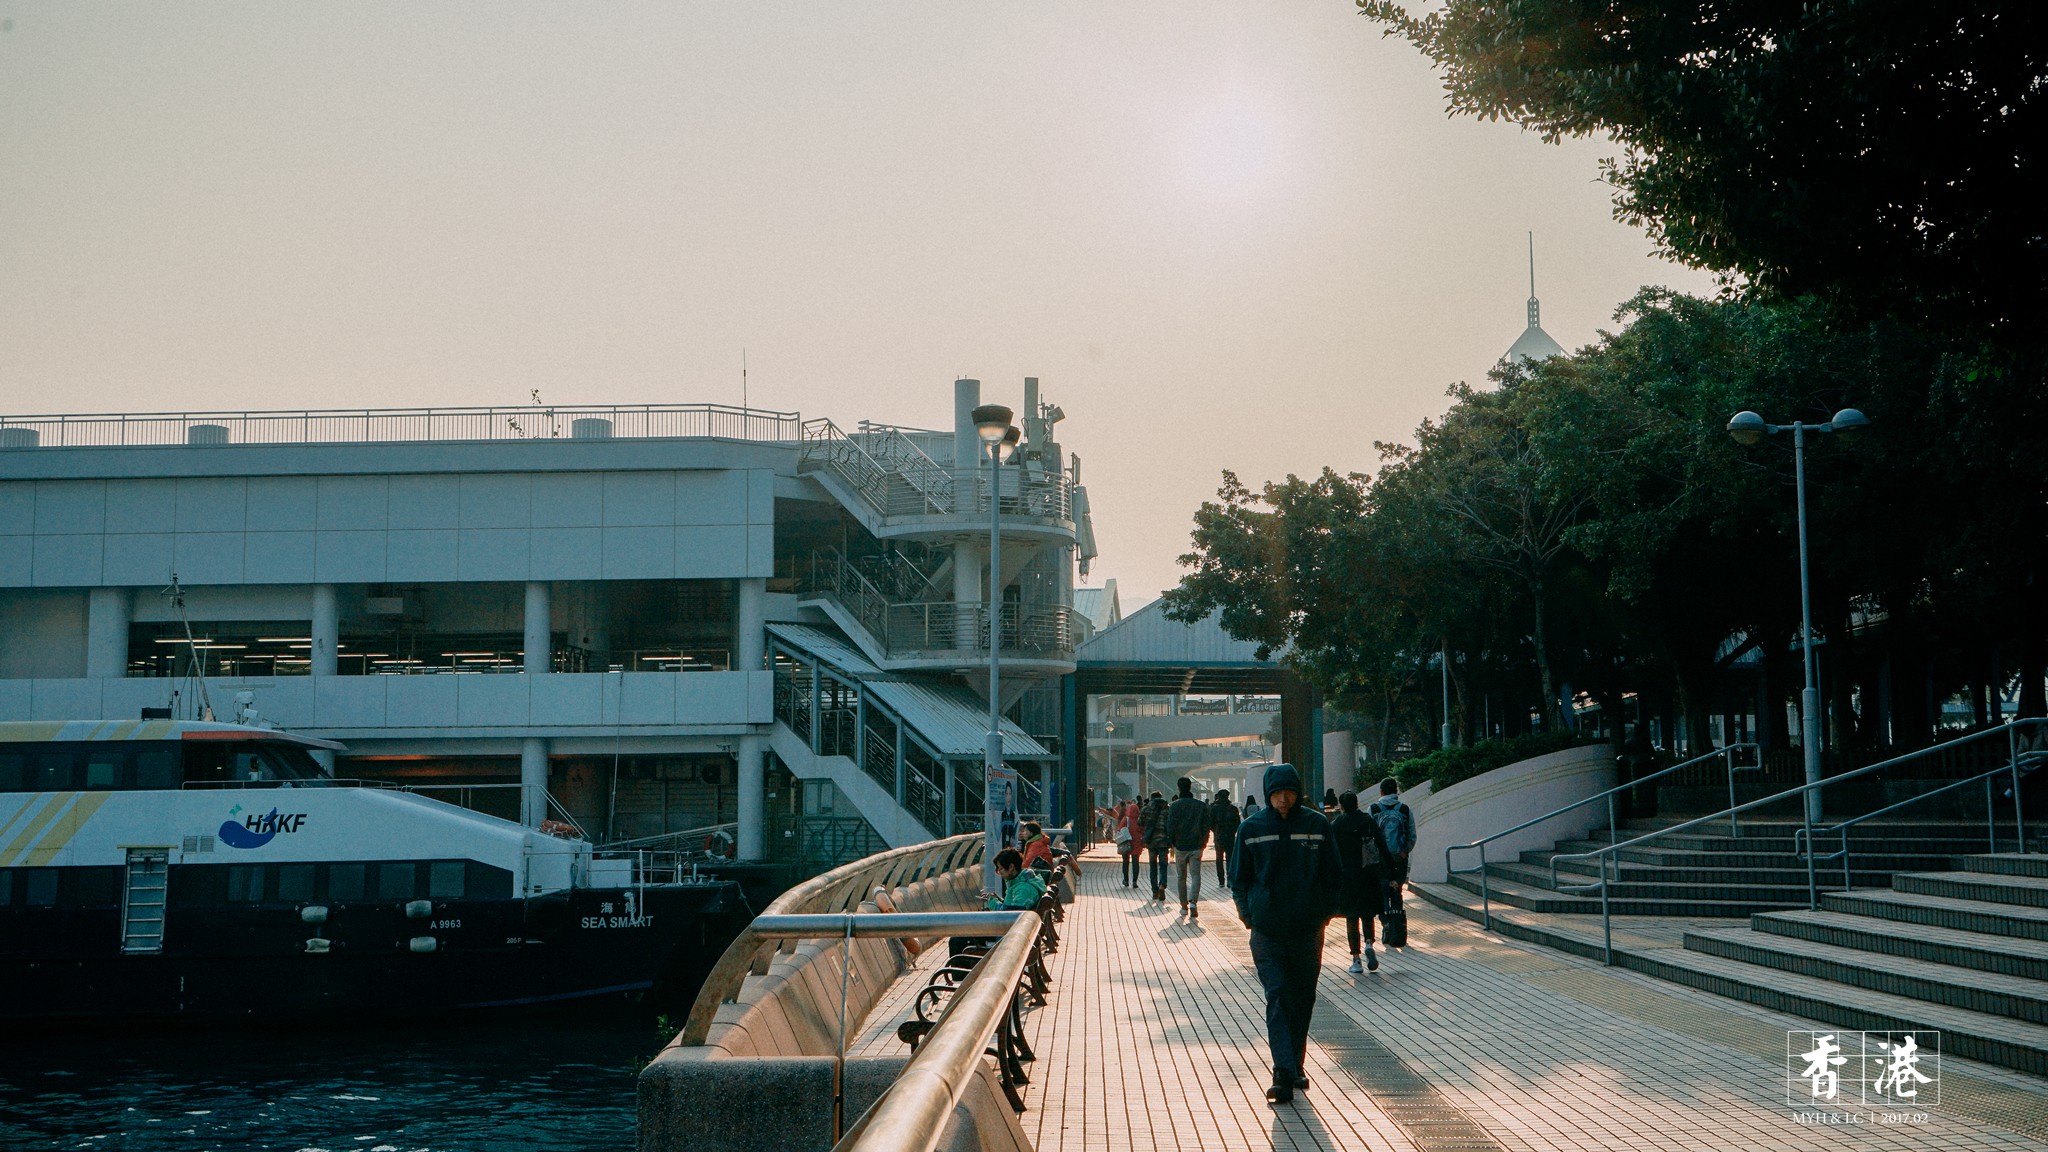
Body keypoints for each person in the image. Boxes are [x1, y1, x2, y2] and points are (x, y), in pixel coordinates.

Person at [1230, 763, 1339, 1105]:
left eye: (1288, 793)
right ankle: (1282, 1071)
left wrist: (1323, 913)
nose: (1283, 800)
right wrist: (1250, 916)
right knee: (1278, 995)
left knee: (1303, 997)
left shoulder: (1316, 825)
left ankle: (1295, 1064)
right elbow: (1239, 879)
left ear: (1297, 792)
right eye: (1277, 794)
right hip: (1267, 932)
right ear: (1268, 794)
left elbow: (1333, 873)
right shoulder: (1250, 828)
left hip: (1308, 929)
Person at [1328, 790, 1391, 973]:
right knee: (1367, 913)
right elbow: (1381, 845)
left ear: (1342, 805)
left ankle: (1356, 959)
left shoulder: (1337, 824)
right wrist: (1391, 870)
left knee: (1351, 917)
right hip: (1367, 874)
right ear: (1357, 803)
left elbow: (1330, 852)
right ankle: (1369, 943)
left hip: (1347, 876)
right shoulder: (1367, 821)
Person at [1165, 776, 1211, 918]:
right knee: (1196, 875)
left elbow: (1170, 826)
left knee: (1181, 877)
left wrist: (1172, 843)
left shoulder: (1174, 806)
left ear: (1179, 788)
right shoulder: (1201, 805)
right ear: (1190, 787)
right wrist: (1204, 841)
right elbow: (1206, 825)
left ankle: (1183, 906)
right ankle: (1193, 903)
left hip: (1180, 846)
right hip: (1197, 846)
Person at [1367, 777, 1418, 903]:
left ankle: (1385, 917)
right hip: (1399, 856)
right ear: (1396, 792)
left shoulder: (1373, 809)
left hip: (1381, 858)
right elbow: (1412, 835)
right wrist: (1405, 851)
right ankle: (1398, 915)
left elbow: (1368, 836)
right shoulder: (1404, 810)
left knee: (1382, 887)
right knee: (1398, 888)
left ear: (1381, 792)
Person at [1140, 791, 1172, 902]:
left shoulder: (1146, 808)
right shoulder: (1166, 808)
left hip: (1151, 842)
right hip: (1164, 841)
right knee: (1163, 865)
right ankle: (1162, 884)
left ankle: (1154, 891)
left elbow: (1140, 822)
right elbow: (1171, 823)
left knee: (1153, 867)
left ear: (1151, 798)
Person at [1209, 789, 1241, 888]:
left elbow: (1210, 823)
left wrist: (1216, 831)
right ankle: (1230, 880)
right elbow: (1238, 824)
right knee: (1230, 859)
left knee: (1219, 859)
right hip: (1230, 837)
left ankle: (1221, 880)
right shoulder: (1233, 809)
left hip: (1219, 837)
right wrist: (1232, 831)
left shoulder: (1214, 809)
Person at [1116, 798, 1143, 888]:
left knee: (1125, 861)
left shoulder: (1126, 819)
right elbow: (1143, 830)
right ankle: (1135, 881)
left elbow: (1120, 829)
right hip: (1137, 843)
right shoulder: (1139, 819)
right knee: (1136, 862)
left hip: (1126, 842)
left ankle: (1126, 880)